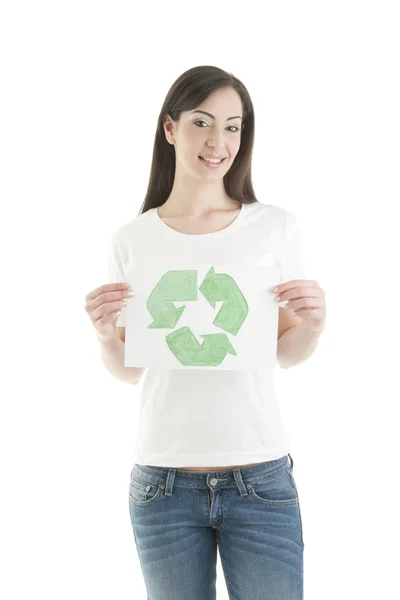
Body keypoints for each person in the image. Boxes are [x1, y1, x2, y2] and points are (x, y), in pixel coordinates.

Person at [85, 65, 326, 600]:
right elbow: (130, 369)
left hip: (259, 478)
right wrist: (105, 336)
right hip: (163, 482)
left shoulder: (275, 227)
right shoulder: (132, 239)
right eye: (202, 122)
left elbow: (287, 352)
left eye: (234, 126)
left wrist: (312, 324)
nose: (219, 142)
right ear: (169, 128)